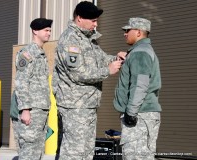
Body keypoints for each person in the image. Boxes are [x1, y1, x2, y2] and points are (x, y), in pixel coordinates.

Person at [52, 1, 126, 160]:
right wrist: (108, 70)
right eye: (93, 20)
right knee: (74, 152)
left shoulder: (87, 39)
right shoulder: (71, 40)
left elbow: (101, 58)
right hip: (75, 105)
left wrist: (116, 58)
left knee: (85, 151)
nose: (96, 24)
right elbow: (78, 73)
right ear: (79, 18)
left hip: (87, 104)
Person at [113, 17, 162, 160]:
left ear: (139, 32)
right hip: (144, 115)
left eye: (128, 30)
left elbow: (140, 84)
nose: (125, 33)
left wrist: (131, 112)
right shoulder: (141, 51)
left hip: (139, 115)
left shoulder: (140, 53)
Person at [11, 18, 53, 160]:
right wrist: (25, 109)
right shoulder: (27, 53)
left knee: (36, 152)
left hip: (40, 110)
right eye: (46, 30)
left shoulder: (40, 53)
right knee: (28, 152)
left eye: (50, 30)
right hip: (31, 111)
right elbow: (21, 81)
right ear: (35, 31)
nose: (49, 33)